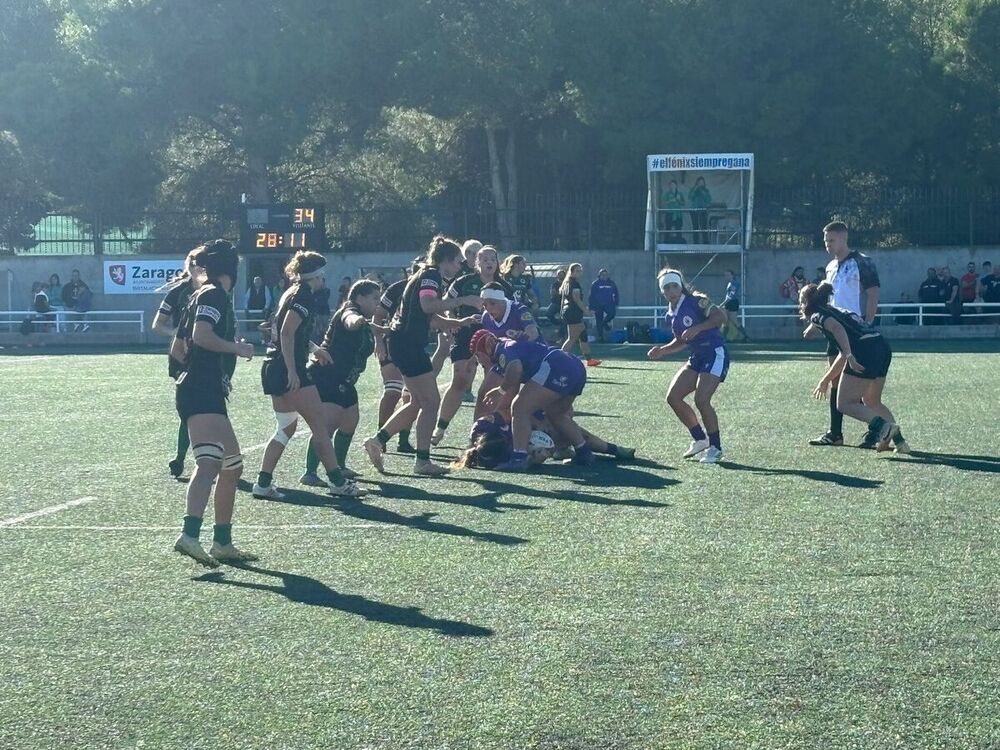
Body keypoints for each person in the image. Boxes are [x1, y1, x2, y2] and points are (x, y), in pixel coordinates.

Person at [171, 239, 258, 567]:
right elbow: (201, 336)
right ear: (231, 268)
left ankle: (222, 541)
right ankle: (190, 535)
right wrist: (236, 349)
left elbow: (178, 348)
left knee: (231, 466)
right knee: (210, 463)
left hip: (201, 389)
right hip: (201, 390)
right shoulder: (213, 294)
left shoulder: (197, 295)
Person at [363, 236, 482, 476]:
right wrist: (464, 300)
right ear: (446, 261)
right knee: (431, 403)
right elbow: (429, 305)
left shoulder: (426, 276)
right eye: (458, 262)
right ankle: (422, 461)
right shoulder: (431, 276)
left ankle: (377, 440)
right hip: (407, 344)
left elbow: (431, 317)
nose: (460, 267)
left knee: (418, 402)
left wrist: (459, 321)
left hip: (403, 343)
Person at [254, 250, 366, 499]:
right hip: (285, 367)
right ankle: (338, 482)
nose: (324, 280)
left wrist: (315, 349)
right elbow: (285, 332)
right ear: (316, 275)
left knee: (285, 428)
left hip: (272, 365)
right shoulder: (304, 295)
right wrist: (293, 371)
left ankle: (262, 483)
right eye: (322, 275)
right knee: (320, 426)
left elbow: (289, 332)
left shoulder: (290, 291)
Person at [800, 282, 909, 454]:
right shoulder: (836, 310)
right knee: (872, 401)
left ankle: (884, 428)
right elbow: (843, 350)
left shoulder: (817, 316)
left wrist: (849, 357)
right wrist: (827, 378)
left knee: (844, 404)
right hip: (881, 345)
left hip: (865, 350)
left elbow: (839, 335)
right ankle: (900, 442)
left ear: (805, 303)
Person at [469, 329, 593, 472]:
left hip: (557, 365)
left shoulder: (503, 349)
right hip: (574, 365)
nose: (479, 360)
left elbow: (515, 368)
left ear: (488, 344)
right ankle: (583, 452)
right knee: (557, 414)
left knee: (519, 408)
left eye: (478, 355)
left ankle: (518, 458)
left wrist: (501, 390)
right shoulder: (509, 345)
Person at [300, 279, 381, 486]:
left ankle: (340, 466)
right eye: (374, 298)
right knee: (326, 426)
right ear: (360, 298)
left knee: (350, 421)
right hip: (328, 375)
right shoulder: (350, 310)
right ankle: (310, 472)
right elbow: (349, 320)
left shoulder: (364, 319)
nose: (377, 303)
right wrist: (358, 321)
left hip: (345, 379)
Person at [433, 245, 513, 446]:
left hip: (493, 340)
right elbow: (445, 304)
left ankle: (483, 433)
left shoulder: (505, 287)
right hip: (466, 335)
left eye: (492, 259)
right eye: (484, 259)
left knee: (491, 386)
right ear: (477, 263)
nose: (489, 262)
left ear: (498, 263)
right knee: (460, 379)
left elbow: (513, 313)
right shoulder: (463, 282)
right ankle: (440, 427)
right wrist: (452, 323)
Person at [647, 268, 729, 463]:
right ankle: (700, 439)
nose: (671, 290)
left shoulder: (696, 301)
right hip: (697, 356)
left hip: (714, 352)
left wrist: (698, 328)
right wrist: (663, 350)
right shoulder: (670, 313)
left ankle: (715, 447)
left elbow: (721, 317)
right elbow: (681, 340)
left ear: (681, 286)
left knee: (702, 399)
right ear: (662, 292)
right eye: (666, 287)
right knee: (673, 397)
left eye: (674, 285)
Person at [810, 221, 879, 448]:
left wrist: (867, 324)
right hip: (834, 331)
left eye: (831, 240)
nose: (827, 245)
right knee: (836, 381)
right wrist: (815, 323)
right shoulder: (830, 267)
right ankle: (835, 433)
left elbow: (872, 294)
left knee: (863, 388)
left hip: (856, 331)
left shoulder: (863, 262)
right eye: (825, 241)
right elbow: (828, 299)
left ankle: (876, 430)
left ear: (844, 238)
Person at [153, 247, 206, 478]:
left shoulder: (214, 291)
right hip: (182, 357)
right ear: (190, 267)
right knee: (191, 409)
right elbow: (158, 324)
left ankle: (206, 456)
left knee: (204, 407)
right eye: (196, 264)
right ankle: (182, 457)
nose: (200, 269)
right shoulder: (178, 293)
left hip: (209, 355)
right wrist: (178, 334)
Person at [372, 262, 420, 455]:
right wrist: (379, 341)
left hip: (415, 347)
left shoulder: (433, 291)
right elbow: (378, 316)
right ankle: (380, 436)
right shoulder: (397, 289)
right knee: (392, 391)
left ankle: (403, 439)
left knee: (412, 396)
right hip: (393, 343)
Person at [559, 263, 600, 367]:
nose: (579, 272)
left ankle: (589, 359)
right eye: (577, 270)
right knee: (572, 338)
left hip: (571, 312)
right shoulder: (573, 283)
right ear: (571, 272)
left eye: (580, 270)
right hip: (573, 313)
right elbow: (576, 299)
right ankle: (559, 358)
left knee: (583, 335)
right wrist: (586, 311)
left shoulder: (568, 282)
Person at [588, 269, 619, 342]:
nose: (604, 276)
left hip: (609, 304)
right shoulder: (595, 283)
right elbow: (591, 296)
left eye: (606, 275)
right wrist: (591, 306)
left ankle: (604, 322)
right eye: (603, 275)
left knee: (612, 313)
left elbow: (616, 293)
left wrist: (616, 302)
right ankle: (601, 337)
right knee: (599, 320)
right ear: (599, 276)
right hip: (598, 305)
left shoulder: (611, 283)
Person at [721, 269, 748, 342]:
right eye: (725, 275)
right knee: (725, 320)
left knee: (734, 320)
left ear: (732, 275)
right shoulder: (729, 283)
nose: (726, 276)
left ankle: (746, 336)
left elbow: (731, 295)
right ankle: (724, 338)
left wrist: (723, 303)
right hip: (728, 303)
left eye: (728, 275)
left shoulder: (734, 283)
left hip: (732, 302)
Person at [244, 276, 272, 341]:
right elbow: (246, 299)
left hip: (262, 311)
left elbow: (268, 298)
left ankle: (262, 340)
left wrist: (266, 307)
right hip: (252, 311)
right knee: (252, 325)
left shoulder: (265, 288)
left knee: (262, 325)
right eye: (256, 281)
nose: (257, 283)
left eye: (259, 281)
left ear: (261, 282)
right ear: (254, 282)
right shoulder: (250, 289)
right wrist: (246, 307)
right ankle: (251, 340)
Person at [660, 179, 685, 243]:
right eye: (671, 185)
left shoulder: (680, 194)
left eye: (674, 185)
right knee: (668, 229)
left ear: (676, 186)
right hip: (669, 213)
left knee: (678, 230)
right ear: (669, 186)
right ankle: (665, 243)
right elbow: (663, 203)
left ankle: (679, 244)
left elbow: (683, 203)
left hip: (678, 214)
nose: (672, 186)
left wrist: (678, 200)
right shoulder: (667, 194)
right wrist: (670, 201)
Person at [688, 177, 712, 244]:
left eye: (702, 182)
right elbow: (690, 197)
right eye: (699, 182)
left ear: (704, 183)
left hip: (703, 211)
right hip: (694, 211)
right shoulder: (693, 189)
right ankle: (696, 243)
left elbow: (709, 200)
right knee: (695, 228)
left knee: (704, 228)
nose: (701, 184)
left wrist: (703, 193)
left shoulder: (706, 191)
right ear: (697, 183)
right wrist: (695, 189)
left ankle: (706, 243)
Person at [312, 276, 332, 340]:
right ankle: (318, 338)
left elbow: (325, 298)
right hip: (318, 310)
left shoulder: (327, 290)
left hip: (325, 310)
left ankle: (325, 338)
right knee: (318, 325)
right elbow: (314, 298)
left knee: (325, 325)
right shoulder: (316, 291)